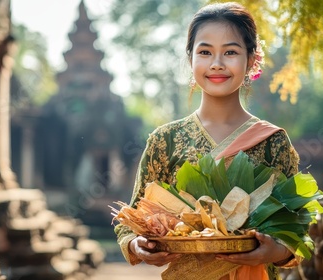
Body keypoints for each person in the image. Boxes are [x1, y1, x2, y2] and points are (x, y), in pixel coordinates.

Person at [114, 2, 302, 279]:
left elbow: (299, 229)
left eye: (230, 52)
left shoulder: (274, 142)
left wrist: (276, 251)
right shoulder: (165, 141)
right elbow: (130, 220)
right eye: (205, 52)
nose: (217, 63)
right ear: (190, 59)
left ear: (251, 60)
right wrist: (137, 245)